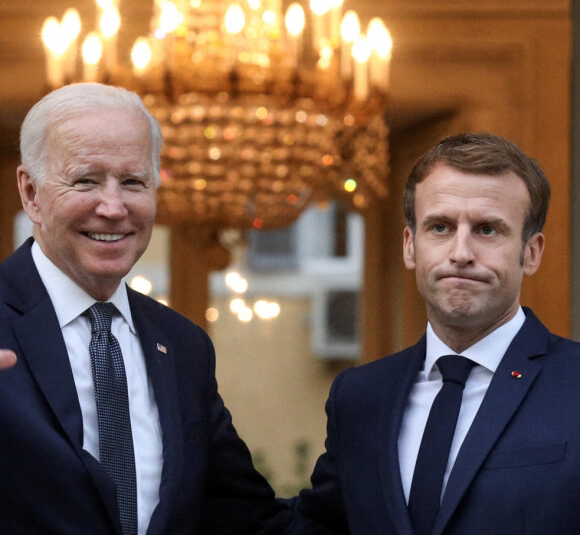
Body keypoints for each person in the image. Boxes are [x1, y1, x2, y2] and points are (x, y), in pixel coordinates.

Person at [0, 82, 293, 534]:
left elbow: (244, 517)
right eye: (86, 180)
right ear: (31, 193)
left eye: (133, 182)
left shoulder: (182, 344)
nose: (114, 208)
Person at [289, 132, 580, 534]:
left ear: (531, 253)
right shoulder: (360, 397)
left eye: (488, 230)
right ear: (411, 246)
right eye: (440, 227)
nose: (460, 252)